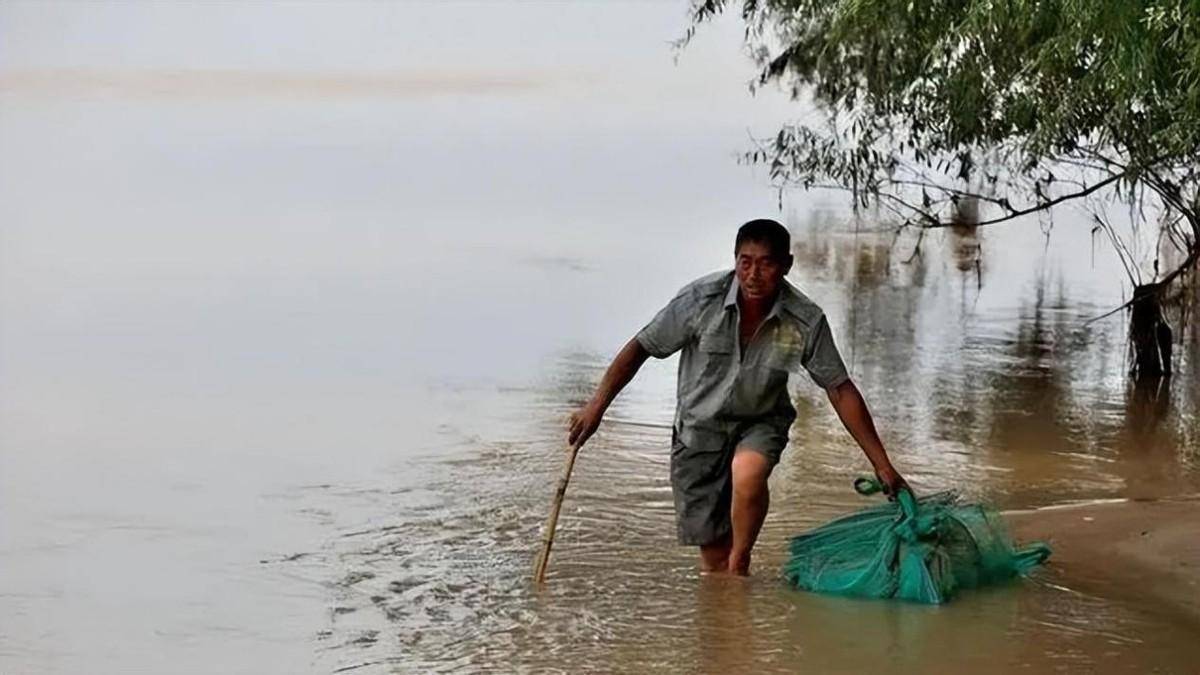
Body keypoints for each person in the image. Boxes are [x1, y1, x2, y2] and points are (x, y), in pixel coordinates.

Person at [567, 219, 909, 576]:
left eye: (766, 263)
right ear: (734, 261)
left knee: (747, 475)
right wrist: (596, 408)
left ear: (787, 265)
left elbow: (839, 389)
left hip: (761, 421)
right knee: (714, 563)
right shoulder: (700, 301)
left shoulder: (803, 320)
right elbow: (641, 348)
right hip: (698, 430)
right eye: (745, 262)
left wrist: (881, 463)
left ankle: (742, 557)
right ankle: (729, 607)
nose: (754, 274)